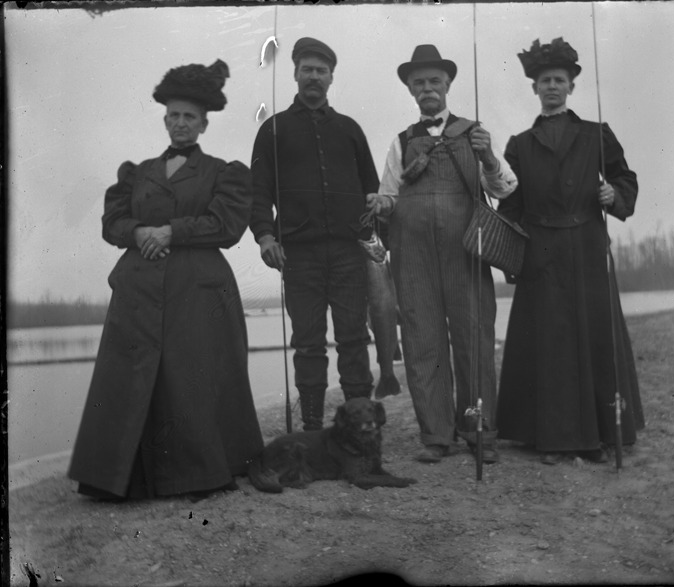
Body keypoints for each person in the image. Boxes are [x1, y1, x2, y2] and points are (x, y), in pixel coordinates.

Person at [68, 59, 264, 500]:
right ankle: (119, 480)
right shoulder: (137, 173)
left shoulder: (224, 172)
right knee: (132, 378)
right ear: (164, 119)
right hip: (138, 289)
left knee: (191, 378)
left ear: (204, 124)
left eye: (190, 117)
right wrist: (139, 233)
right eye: (174, 115)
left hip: (197, 289)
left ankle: (198, 473)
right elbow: (112, 222)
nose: (181, 123)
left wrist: (172, 232)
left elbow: (227, 225)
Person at [495, 38, 645, 465]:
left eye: (559, 80)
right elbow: (511, 205)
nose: (552, 87)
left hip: (587, 246)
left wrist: (613, 194)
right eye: (545, 81)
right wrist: (510, 253)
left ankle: (602, 433)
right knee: (550, 342)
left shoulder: (596, 134)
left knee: (593, 336)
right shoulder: (519, 144)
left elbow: (625, 178)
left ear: (571, 87)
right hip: (540, 252)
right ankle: (551, 438)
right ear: (534, 88)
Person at [365, 45, 517, 464]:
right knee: (421, 341)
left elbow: (505, 188)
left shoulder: (475, 133)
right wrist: (380, 203)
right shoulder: (400, 142)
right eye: (419, 83)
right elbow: (390, 196)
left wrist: (488, 156)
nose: (427, 88)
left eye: (434, 81)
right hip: (412, 256)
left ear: (448, 84)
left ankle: (479, 431)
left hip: (466, 251)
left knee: (474, 339)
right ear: (410, 90)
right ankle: (436, 435)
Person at [250, 37, 379, 431]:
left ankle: (359, 425)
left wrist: (377, 239)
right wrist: (265, 237)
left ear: (331, 78)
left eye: (321, 71)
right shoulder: (273, 130)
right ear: (295, 74)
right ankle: (311, 428)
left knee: (354, 338)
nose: (314, 76)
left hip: (349, 253)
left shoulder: (349, 130)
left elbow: (371, 189)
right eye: (307, 69)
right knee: (307, 343)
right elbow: (258, 192)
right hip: (298, 255)